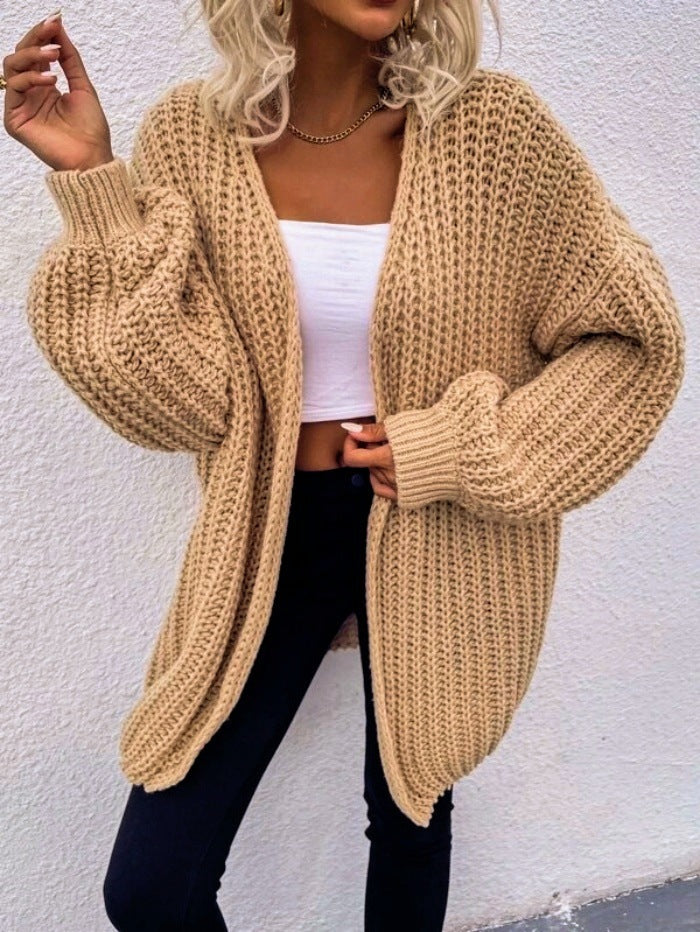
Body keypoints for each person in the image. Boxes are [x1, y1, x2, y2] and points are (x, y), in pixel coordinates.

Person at [3, 1, 684, 930]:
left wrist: (457, 448)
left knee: (409, 810)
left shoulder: (494, 131)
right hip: (271, 525)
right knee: (153, 887)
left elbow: (634, 341)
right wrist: (93, 179)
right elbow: (178, 404)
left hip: (441, 524)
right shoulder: (192, 138)